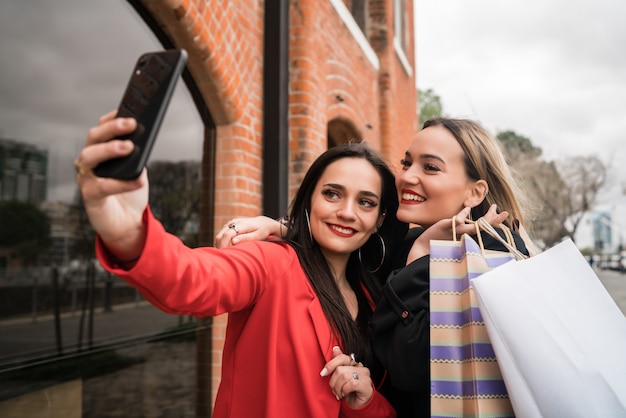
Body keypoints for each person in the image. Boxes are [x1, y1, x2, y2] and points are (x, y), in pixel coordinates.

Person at [74, 111, 410, 418]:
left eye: (365, 202)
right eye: (333, 194)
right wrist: (129, 233)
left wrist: (364, 402)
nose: (347, 212)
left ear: (380, 218)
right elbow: (190, 277)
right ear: (309, 200)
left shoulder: (374, 295)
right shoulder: (271, 262)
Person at [217, 118, 534, 418]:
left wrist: (421, 258)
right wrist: (279, 227)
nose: (408, 177)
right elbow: (347, 235)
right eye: (407, 163)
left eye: (431, 167)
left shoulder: (493, 257)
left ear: (475, 192)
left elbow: (407, 366)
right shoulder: (407, 239)